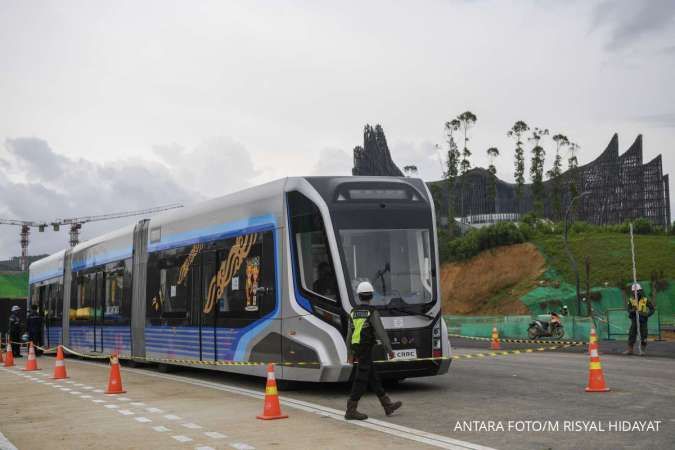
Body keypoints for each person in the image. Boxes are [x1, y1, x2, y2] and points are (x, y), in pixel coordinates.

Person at [344, 281, 402, 420]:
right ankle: (350, 410)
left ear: (359, 296)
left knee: (373, 376)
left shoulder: (353, 312)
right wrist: (389, 349)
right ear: (371, 296)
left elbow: (349, 335)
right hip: (366, 347)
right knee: (361, 378)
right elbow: (381, 333)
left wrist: (350, 353)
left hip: (357, 347)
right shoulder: (372, 312)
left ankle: (387, 405)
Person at [624, 283, 655, 355]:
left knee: (644, 335)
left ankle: (642, 350)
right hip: (634, 319)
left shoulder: (645, 299)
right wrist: (632, 310)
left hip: (643, 320)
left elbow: (652, 309)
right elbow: (628, 309)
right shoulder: (631, 300)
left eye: (638, 291)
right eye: (634, 291)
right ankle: (630, 350)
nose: (636, 293)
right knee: (632, 334)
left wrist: (647, 315)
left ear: (640, 291)